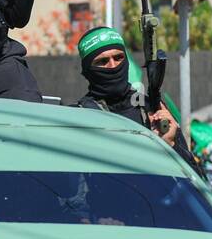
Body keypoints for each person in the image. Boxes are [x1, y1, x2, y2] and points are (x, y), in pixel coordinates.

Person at [71, 27, 194, 165]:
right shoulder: (79, 117)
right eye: (103, 61)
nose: (113, 66)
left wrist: (170, 145)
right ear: (88, 69)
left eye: (118, 58)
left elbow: (195, 176)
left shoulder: (151, 108)